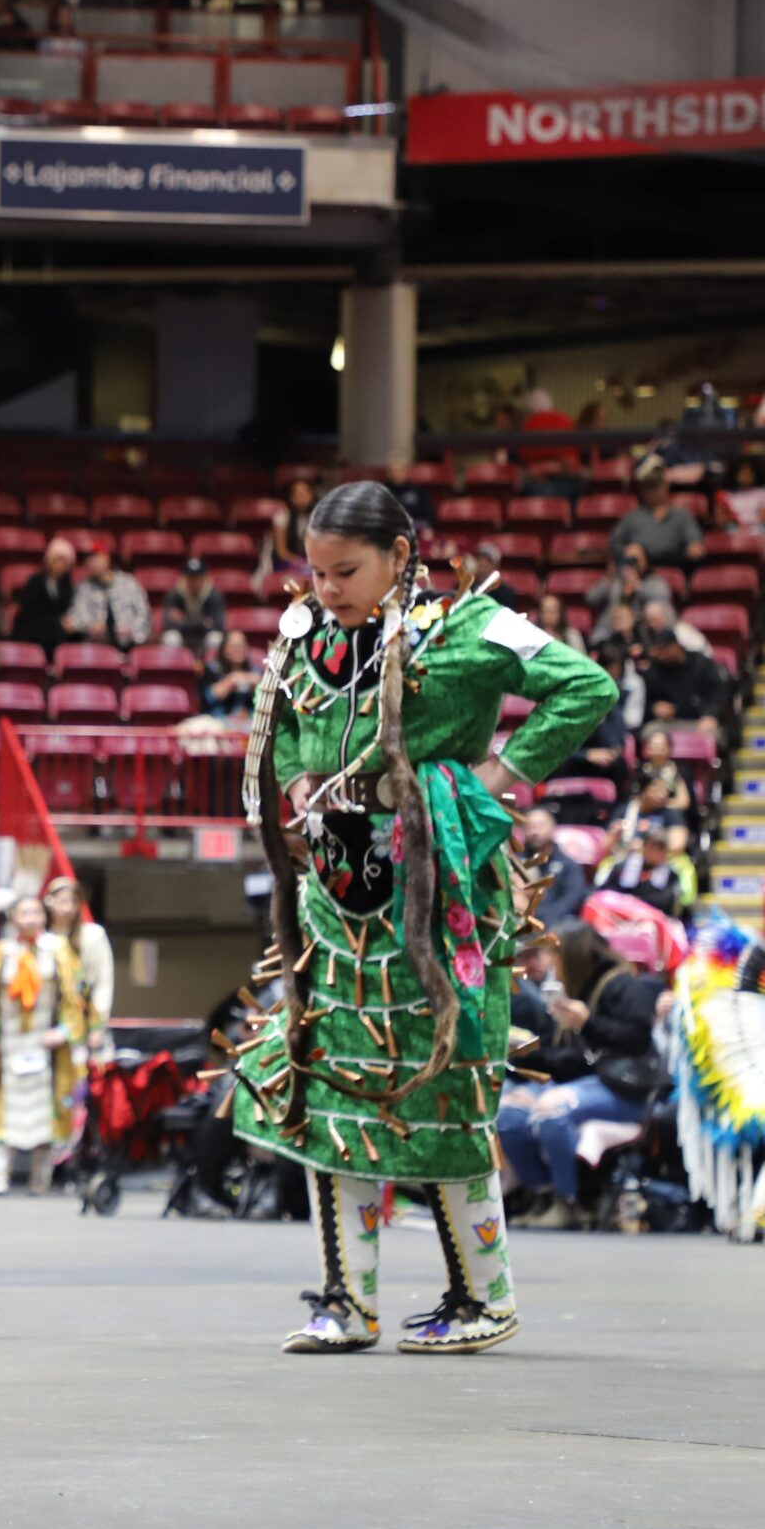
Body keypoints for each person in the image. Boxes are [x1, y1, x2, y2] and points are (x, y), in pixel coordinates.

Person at [236, 480, 615, 1355]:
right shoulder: (313, 640)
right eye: (316, 572)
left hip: (437, 886)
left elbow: (583, 686)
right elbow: (290, 718)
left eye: (345, 571)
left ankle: (483, 1297)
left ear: (401, 556)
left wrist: (498, 775)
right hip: (336, 896)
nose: (325, 590)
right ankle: (347, 1299)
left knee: (443, 1085)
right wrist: (297, 780)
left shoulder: (469, 630)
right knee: (333, 1083)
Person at [496, 925, 670, 1229]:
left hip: (625, 1090)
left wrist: (587, 1022)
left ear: (572, 956)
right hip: (585, 1083)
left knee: (551, 1110)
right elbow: (569, 1058)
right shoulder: (573, 990)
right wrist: (527, 1059)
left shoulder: (626, 987)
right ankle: (542, 1193)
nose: (550, 964)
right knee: (510, 1112)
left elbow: (634, 1040)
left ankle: (570, 1200)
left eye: (554, 956)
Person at [0, 889, 87, 1196]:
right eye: (25, 913)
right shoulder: (4, 951)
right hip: (11, 1044)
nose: (31, 919)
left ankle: (40, 1180)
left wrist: (63, 1031)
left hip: (44, 1043)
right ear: (13, 918)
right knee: (5, 1112)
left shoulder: (57, 949)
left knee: (44, 1115)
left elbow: (74, 998)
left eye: (36, 913)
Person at [42, 874, 113, 1059]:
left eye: (72, 902)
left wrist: (98, 1025)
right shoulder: (41, 939)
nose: (67, 908)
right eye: (62, 901)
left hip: (83, 1017)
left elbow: (103, 983)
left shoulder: (94, 935)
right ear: (49, 902)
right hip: (45, 1020)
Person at [638, 615, 729, 727]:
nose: (661, 655)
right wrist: (654, 708)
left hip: (700, 721)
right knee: (651, 731)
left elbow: (719, 693)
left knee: (711, 734)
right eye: (659, 651)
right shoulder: (655, 670)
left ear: (676, 646)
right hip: (669, 723)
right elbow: (645, 699)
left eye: (665, 649)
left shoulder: (700, 663)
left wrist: (711, 714)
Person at [592, 815, 688, 916]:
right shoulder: (623, 867)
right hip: (621, 914)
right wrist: (624, 900)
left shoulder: (671, 876)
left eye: (661, 849)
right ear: (645, 847)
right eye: (653, 847)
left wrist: (639, 902)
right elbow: (606, 890)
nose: (657, 853)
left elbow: (666, 901)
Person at [608, 467, 701, 570]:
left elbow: (694, 542)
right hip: (639, 570)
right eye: (648, 487)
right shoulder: (632, 517)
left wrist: (693, 546)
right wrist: (630, 552)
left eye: (655, 486)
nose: (652, 491)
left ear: (665, 486)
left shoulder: (682, 515)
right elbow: (615, 542)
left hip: (675, 565)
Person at [514, 806, 593, 924]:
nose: (535, 832)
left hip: (555, 923)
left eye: (540, 826)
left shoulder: (569, 865)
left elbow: (572, 899)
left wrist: (547, 919)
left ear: (552, 829)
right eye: (530, 827)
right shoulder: (515, 861)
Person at [64, 547, 152, 649]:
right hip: (98, 645)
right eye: (88, 559)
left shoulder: (129, 582)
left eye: (96, 557)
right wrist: (91, 625)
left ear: (107, 558)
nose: (91, 562)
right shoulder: (83, 587)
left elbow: (144, 612)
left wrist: (131, 630)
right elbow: (77, 614)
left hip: (132, 641)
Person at [9, 536, 79, 655]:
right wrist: (56, 621)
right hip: (33, 630)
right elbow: (29, 608)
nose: (59, 565)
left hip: (58, 633)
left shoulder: (68, 587)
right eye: (56, 560)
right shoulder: (35, 582)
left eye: (63, 561)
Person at [159, 557, 227, 656]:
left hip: (203, 638)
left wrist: (183, 621)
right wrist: (203, 623)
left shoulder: (214, 595)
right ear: (184, 577)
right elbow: (168, 625)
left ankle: (211, 670)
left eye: (197, 577)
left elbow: (218, 626)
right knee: (170, 638)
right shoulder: (174, 594)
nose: (194, 581)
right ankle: (174, 669)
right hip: (183, 638)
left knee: (216, 638)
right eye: (190, 577)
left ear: (204, 577)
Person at [264, 474, 320, 591]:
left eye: (305, 494)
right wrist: (300, 563)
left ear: (311, 496)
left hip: (311, 562)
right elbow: (282, 552)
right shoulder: (282, 517)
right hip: (287, 563)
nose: (302, 498)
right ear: (291, 498)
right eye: (298, 495)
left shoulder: (318, 518)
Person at [201, 629, 259, 721]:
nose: (238, 649)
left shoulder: (255, 671)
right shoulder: (213, 670)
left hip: (248, 722)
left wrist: (256, 685)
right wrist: (231, 681)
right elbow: (208, 697)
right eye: (234, 646)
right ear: (224, 649)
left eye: (242, 645)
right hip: (219, 720)